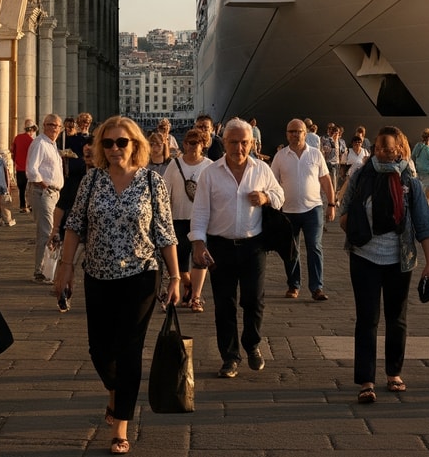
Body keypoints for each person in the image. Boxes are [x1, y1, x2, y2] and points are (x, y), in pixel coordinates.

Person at [53, 116, 179, 455]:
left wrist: (176, 277)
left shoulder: (153, 182)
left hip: (141, 276)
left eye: (121, 142)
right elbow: (74, 225)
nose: (113, 149)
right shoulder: (91, 181)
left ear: (135, 145)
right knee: (99, 350)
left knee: (130, 351)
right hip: (97, 274)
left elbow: (165, 233)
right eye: (107, 143)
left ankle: (120, 425)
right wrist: (65, 268)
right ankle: (116, 389)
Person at [340, 126, 429, 404]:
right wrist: (354, 219)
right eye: (379, 148)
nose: (383, 153)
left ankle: (394, 372)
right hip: (364, 256)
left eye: (389, 149)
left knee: (397, 318)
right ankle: (366, 380)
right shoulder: (360, 175)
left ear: (401, 150)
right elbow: (344, 212)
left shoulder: (410, 181)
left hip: (399, 259)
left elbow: (424, 224)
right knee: (367, 319)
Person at [190, 118, 284, 379]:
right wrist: (198, 243)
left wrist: (266, 197)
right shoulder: (210, 173)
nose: (239, 148)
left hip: (254, 244)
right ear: (224, 142)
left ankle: (252, 343)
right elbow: (200, 211)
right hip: (220, 245)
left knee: (254, 299)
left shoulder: (262, 169)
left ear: (252, 143)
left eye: (244, 143)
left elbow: (280, 196)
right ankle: (230, 356)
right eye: (233, 142)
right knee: (224, 303)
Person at [270, 118, 336, 302]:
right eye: (291, 131)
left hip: (313, 208)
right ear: (286, 134)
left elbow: (325, 180)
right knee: (291, 249)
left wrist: (331, 204)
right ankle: (293, 285)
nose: (294, 135)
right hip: (288, 210)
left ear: (305, 133)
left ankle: (317, 288)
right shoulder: (280, 156)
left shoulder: (315, 154)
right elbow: (272, 182)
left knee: (314, 247)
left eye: (298, 131)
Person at [164, 127, 212, 312]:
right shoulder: (174, 165)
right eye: (189, 143)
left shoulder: (209, 165)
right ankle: (188, 284)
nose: (193, 146)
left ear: (203, 145)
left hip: (201, 219)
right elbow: (165, 191)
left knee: (200, 259)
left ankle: (196, 297)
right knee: (180, 261)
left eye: (197, 143)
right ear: (183, 144)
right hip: (178, 218)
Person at [26, 113, 65, 282]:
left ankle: (48, 270)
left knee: (52, 230)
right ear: (44, 126)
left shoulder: (52, 145)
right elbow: (32, 169)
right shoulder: (40, 143)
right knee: (46, 231)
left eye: (57, 126)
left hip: (54, 192)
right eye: (50, 125)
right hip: (44, 192)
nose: (54, 128)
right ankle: (40, 271)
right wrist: (45, 186)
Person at [12, 120, 36, 213]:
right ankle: (30, 205)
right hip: (29, 168)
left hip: (19, 167)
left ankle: (22, 206)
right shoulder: (32, 141)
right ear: (32, 130)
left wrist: (15, 162)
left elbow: (13, 151)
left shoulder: (17, 138)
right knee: (30, 188)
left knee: (21, 188)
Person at [410, 129, 429, 204]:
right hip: (428, 172)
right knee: (427, 192)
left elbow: (413, 156)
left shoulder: (417, 145)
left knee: (419, 191)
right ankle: (427, 208)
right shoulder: (428, 149)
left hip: (419, 171)